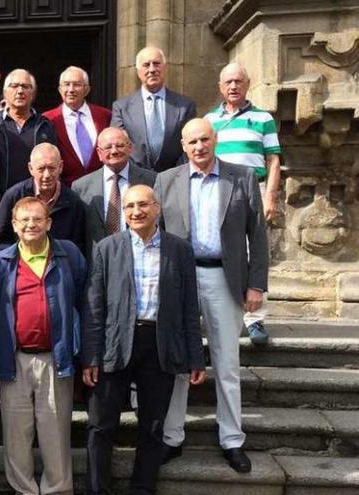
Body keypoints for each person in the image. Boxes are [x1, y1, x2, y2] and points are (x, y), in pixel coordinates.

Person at [157, 118, 269, 473]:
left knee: (227, 364)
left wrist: (256, 285)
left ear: (215, 139)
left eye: (205, 139)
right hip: (180, 281)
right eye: (192, 142)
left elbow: (259, 235)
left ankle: (232, 439)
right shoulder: (166, 180)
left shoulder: (242, 177)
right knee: (177, 362)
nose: (199, 147)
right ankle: (172, 437)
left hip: (224, 277)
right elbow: (155, 234)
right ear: (183, 145)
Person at [82, 185, 206, 495]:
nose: (136, 211)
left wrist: (195, 356)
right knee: (101, 424)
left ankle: (142, 488)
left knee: (153, 425)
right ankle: (99, 489)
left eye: (142, 205)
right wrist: (91, 357)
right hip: (116, 341)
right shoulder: (106, 248)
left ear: (157, 208)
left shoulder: (180, 250)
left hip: (160, 344)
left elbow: (190, 307)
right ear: (122, 213)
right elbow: (94, 307)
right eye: (129, 207)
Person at [0, 196, 87, 495]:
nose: (31, 225)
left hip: (55, 358)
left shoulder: (68, 256)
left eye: (37, 219)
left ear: (49, 223)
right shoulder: (1, 263)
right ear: (14, 226)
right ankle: (24, 490)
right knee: (16, 435)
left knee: (55, 432)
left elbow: (85, 300)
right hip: (14, 359)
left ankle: (57, 490)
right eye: (24, 220)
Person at [204, 62, 282, 345]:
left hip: (253, 189)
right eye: (228, 82)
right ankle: (223, 313)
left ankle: (255, 319)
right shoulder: (210, 120)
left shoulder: (262, 119)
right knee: (223, 249)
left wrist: (270, 196)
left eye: (238, 81)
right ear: (220, 87)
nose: (233, 86)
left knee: (254, 250)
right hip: (219, 190)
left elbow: (273, 159)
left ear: (248, 84)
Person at [0, 142, 86, 254]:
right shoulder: (14, 196)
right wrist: (18, 261)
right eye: (41, 169)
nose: (47, 175)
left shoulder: (73, 201)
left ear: (60, 167)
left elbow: (79, 245)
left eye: (52, 168)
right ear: (30, 168)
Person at [0, 68, 58, 207]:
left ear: (33, 94)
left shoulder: (45, 126)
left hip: (36, 205)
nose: (20, 91)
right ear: (5, 92)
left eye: (25, 87)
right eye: (14, 86)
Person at [72, 127, 157, 255]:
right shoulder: (81, 187)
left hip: (142, 256)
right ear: (99, 153)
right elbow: (79, 234)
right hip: (99, 262)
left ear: (130, 148)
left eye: (120, 145)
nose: (114, 151)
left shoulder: (152, 180)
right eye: (108, 147)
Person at [111, 47, 197, 172]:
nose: (152, 69)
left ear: (165, 68)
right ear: (138, 71)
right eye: (146, 65)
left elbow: (190, 143)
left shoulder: (185, 106)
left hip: (174, 178)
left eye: (156, 64)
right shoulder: (121, 108)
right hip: (136, 179)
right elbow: (118, 145)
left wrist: (176, 173)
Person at [42, 66, 112, 186]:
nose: (71, 89)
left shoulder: (105, 116)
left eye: (76, 84)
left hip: (101, 189)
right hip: (65, 192)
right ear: (59, 89)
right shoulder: (47, 119)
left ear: (87, 89)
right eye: (66, 84)